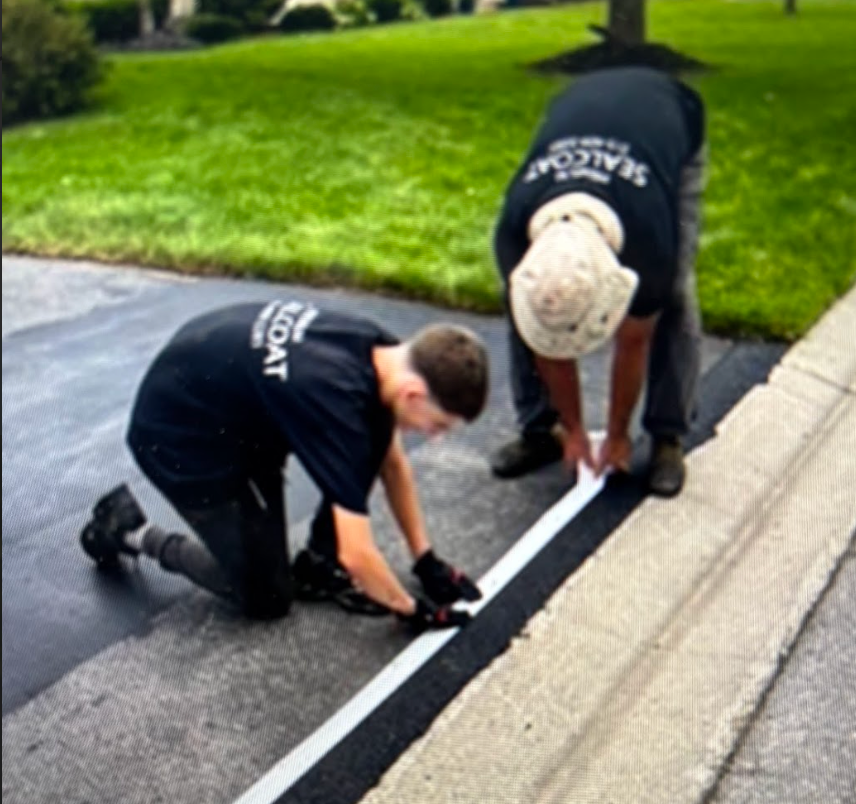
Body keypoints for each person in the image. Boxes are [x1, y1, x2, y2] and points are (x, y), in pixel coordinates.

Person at [79, 299, 489, 633]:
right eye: (438, 425)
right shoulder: (334, 397)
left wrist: (426, 559)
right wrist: (411, 610)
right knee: (266, 597)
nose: (434, 436)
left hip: (234, 410)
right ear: (415, 392)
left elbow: (393, 464)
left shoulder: (384, 350)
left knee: (374, 431)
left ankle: (316, 565)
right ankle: (130, 530)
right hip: (180, 440)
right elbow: (358, 555)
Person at [491, 66, 706, 496]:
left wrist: (617, 434)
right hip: (580, 103)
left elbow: (633, 340)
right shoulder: (514, 232)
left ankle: (667, 435)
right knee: (531, 305)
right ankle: (541, 430)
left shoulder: (648, 239)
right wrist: (573, 429)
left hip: (667, 117)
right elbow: (547, 341)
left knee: (675, 296)